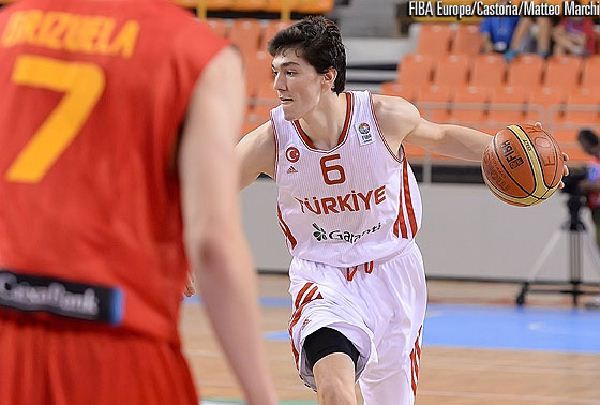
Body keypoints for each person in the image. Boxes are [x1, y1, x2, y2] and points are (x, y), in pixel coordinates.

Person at [236, 16, 569, 405]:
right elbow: (208, 188)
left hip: (393, 274)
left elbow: (442, 136)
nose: (278, 84)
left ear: (328, 76)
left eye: (291, 72)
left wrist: (522, 156)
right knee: (334, 386)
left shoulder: (382, 117)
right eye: (275, 72)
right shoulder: (270, 141)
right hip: (321, 275)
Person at [0, 1, 277, 405]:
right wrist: (261, 396)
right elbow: (212, 243)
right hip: (119, 340)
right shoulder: (198, 53)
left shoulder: (9, 28)